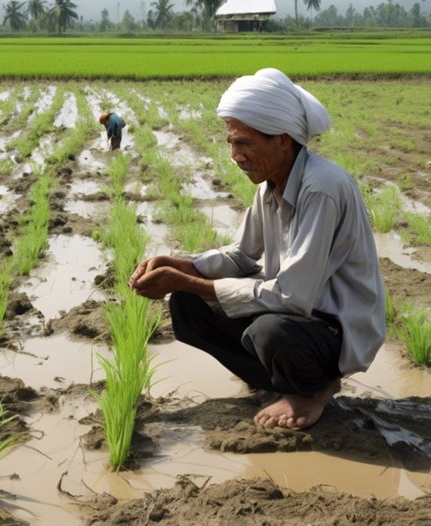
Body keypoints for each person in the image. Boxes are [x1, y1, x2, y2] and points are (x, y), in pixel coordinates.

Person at [128, 68, 385, 430]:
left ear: (282, 139)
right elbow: (243, 256)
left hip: (332, 328)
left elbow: (292, 296)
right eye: (231, 142)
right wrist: (182, 266)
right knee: (188, 306)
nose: (235, 155)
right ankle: (273, 383)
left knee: (270, 332)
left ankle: (313, 391)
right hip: (300, 318)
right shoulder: (270, 186)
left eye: (244, 143)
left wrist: (187, 281)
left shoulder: (321, 188)